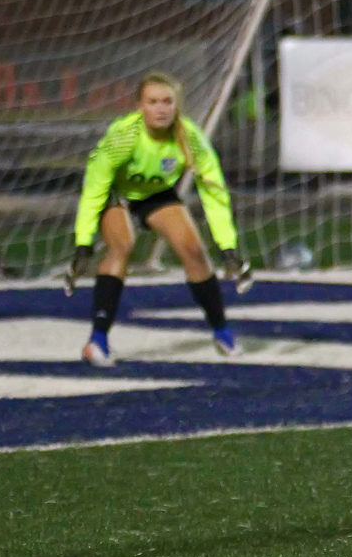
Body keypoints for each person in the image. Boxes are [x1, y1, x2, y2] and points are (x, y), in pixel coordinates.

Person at [66, 71, 251, 367]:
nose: (161, 109)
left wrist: (227, 246)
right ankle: (97, 341)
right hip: (117, 192)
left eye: (167, 101)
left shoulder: (189, 138)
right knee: (122, 245)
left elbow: (215, 193)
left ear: (177, 105)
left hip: (155, 193)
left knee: (194, 251)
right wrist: (83, 242)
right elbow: (94, 189)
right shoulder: (122, 137)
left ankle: (222, 332)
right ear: (139, 105)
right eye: (153, 102)